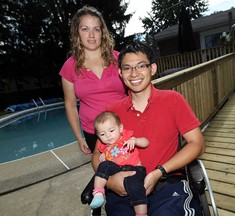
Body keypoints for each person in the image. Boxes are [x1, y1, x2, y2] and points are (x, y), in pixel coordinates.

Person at [91, 42, 205, 216]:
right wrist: (111, 182)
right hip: (123, 192)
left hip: (166, 183)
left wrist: (159, 172)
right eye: (127, 68)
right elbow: (96, 155)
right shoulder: (112, 112)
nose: (134, 73)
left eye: (141, 66)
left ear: (152, 68)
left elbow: (197, 144)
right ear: (120, 73)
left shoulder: (173, 100)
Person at [59, 6, 126, 155]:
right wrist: (79, 137)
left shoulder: (119, 59)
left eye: (96, 29)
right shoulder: (69, 66)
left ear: (102, 32)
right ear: (77, 32)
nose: (91, 35)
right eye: (85, 29)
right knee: (106, 173)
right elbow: (70, 105)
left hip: (124, 127)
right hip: (94, 134)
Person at [90, 111, 149, 216]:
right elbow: (104, 160)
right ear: (98, 136)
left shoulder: (127, 136)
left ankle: (141, 214)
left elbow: (146, 142)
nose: (108, 136)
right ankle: (98, 193)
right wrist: (103, 156)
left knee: (135, 187)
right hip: (117, 171)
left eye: (111, 130)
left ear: (120, 128)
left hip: (135, 170)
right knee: (103, 165)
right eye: (102, 134)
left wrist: (136, 141)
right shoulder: (104, 147)